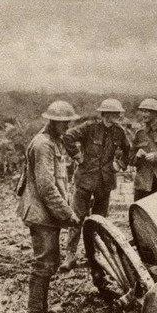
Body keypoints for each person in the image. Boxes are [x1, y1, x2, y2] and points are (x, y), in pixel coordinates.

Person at [17, 101, 81, 313]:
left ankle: (41, 308)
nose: (67, 126)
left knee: (50, 260)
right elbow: (46, 187)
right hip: (40, 212)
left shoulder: (53, 141)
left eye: (68, 122)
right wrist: (67, 213)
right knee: (44, 261)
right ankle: (35, 310)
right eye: (62, 122)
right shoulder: (43, 145)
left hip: (46, 212)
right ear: (51, 121)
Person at [59, 98, 131, 271]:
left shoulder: (119, 132)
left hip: (104, 183)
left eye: (116, 114)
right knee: (76, 218)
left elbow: (128, 150)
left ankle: (96, 255)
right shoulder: (89, 127)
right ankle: (70, 255)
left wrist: (119, 164)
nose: (113, 117)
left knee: (100, 221)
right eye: (110, 113)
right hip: (84, 180)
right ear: (103, 114)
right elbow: (67, 137)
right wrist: (77, 156)